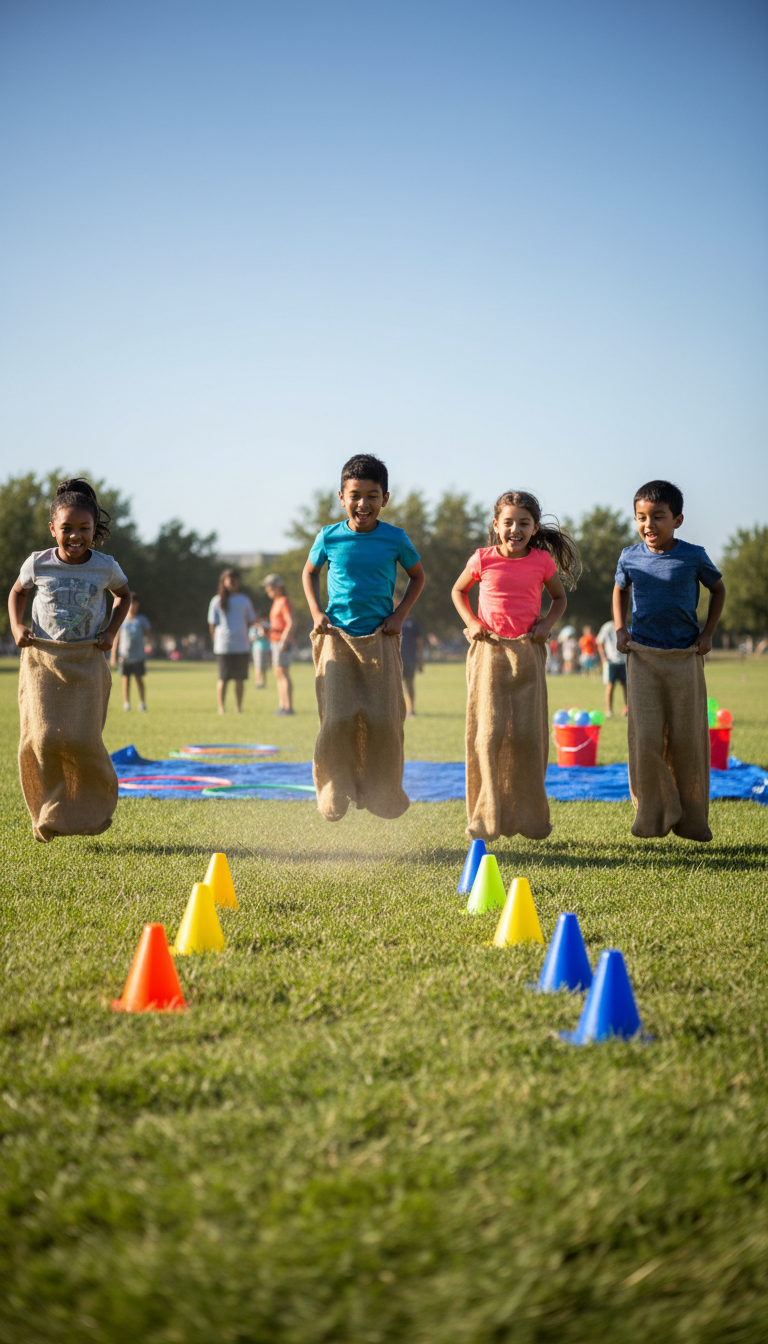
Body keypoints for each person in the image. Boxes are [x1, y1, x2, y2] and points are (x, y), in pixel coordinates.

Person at [301, 453, 425, 820]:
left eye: (372, 496)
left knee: (384, 721)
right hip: (337, 639)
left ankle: (382, 791)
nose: (363, 504)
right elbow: (309, 573)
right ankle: (334, 787)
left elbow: (418, 576)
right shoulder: (329, 536)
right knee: (338, 719)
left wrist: (399, 615)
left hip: (379, 640)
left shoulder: (395, 538)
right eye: (355, 495)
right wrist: (316, 612)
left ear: (385, 498)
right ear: (342, 497)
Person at [451, 490, 579, 841]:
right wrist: (472, 622)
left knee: (525, 736)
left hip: (527, 654)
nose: (515, 529)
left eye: (524, 523)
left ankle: (528, 817)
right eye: (508, 522)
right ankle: (486, 817)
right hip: (489, 654)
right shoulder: (482, 559)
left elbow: (559, 598)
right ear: (496, 525)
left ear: (535, 528)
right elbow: (458, 591)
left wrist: (546, 625)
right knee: (488, 735)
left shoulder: (541, 562)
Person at [8, 478, 130, 840]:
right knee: (44, 738)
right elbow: (17, 592)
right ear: (52, 529)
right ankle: (48, 813)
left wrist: (110, 632)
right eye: (67, 528)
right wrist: (16, 626)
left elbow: (123, 596)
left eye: (84, 528)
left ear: (94, 529)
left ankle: (91, 812)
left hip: (86, 659)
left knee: (83, 739)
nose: (76, 536)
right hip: (44, 660)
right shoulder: (38, 563)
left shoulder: (105, 566)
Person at [613, 479, 726, 841]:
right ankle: (652, 816)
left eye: (658, 517)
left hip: (683, 658)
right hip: (643, 658)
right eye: (641, 517)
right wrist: (620, 629)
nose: (649, 524)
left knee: (686, 741)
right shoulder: (629, 556)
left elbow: (718, 589)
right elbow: (620, 589)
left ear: (677, 520)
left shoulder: (694, 556)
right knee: (645, 739)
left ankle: (691, 820)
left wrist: (707, 634)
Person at [207, 569, 256, 714]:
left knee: (240, 679)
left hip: (241, 645)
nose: (232, 582)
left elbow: (251, 620)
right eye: (229, 579)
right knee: (223, 678)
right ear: (223, 582)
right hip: (223, 646)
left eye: (234, 579)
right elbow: (212, 624)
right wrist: (215, 641)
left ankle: (239, 706)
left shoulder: (244, 600)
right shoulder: (216, 600)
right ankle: (221, 707)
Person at [111, 593, 151, 710]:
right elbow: (116, 638)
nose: (133, 606)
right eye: (131, 603)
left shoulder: (141, 620)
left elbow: (149, 635)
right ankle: (126, 703)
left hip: (138, 655)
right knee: (125, 679)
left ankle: (142, 703)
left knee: (139, 678)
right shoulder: (122, 619)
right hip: (124, 655)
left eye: (135, 603)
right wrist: (113, 655)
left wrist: (148, 642)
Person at [263, 574, 295, 715]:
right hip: (275, 641)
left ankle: (288, 707)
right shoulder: (276, 602)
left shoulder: (283, 601)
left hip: (282, 642)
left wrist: (284, 640)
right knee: (278, 674)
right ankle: (283, 706)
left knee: (283, 674)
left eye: (269, 586)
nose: (267, 589)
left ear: (278, 587)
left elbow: (291, 622)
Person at [596, 617, 627, 717]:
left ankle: (626, 708)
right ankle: (609, 710)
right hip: (611, 660)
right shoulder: (608, 626)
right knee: (610, 684)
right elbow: (599, 641)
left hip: (624, 660)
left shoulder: (626, 625)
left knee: (625, 684)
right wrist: (603, 657)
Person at [400, 616, 424, 716]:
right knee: (395, 685)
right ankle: (397, 709)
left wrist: (420, 659)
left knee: (409, 684)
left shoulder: (412, 624)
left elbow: (419, 641)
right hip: (395, 658)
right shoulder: (390, 620)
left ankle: (411, 708)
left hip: (409, 659)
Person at [249, 617, 271, 689]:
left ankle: (263, 682)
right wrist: (258, 635)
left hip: (265, 648)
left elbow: (269, 634)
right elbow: (251, 638)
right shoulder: (253, 628)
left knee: (264, 667)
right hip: (257, 649)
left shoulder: (265, 626)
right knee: (258, 666)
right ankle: (258, 682)